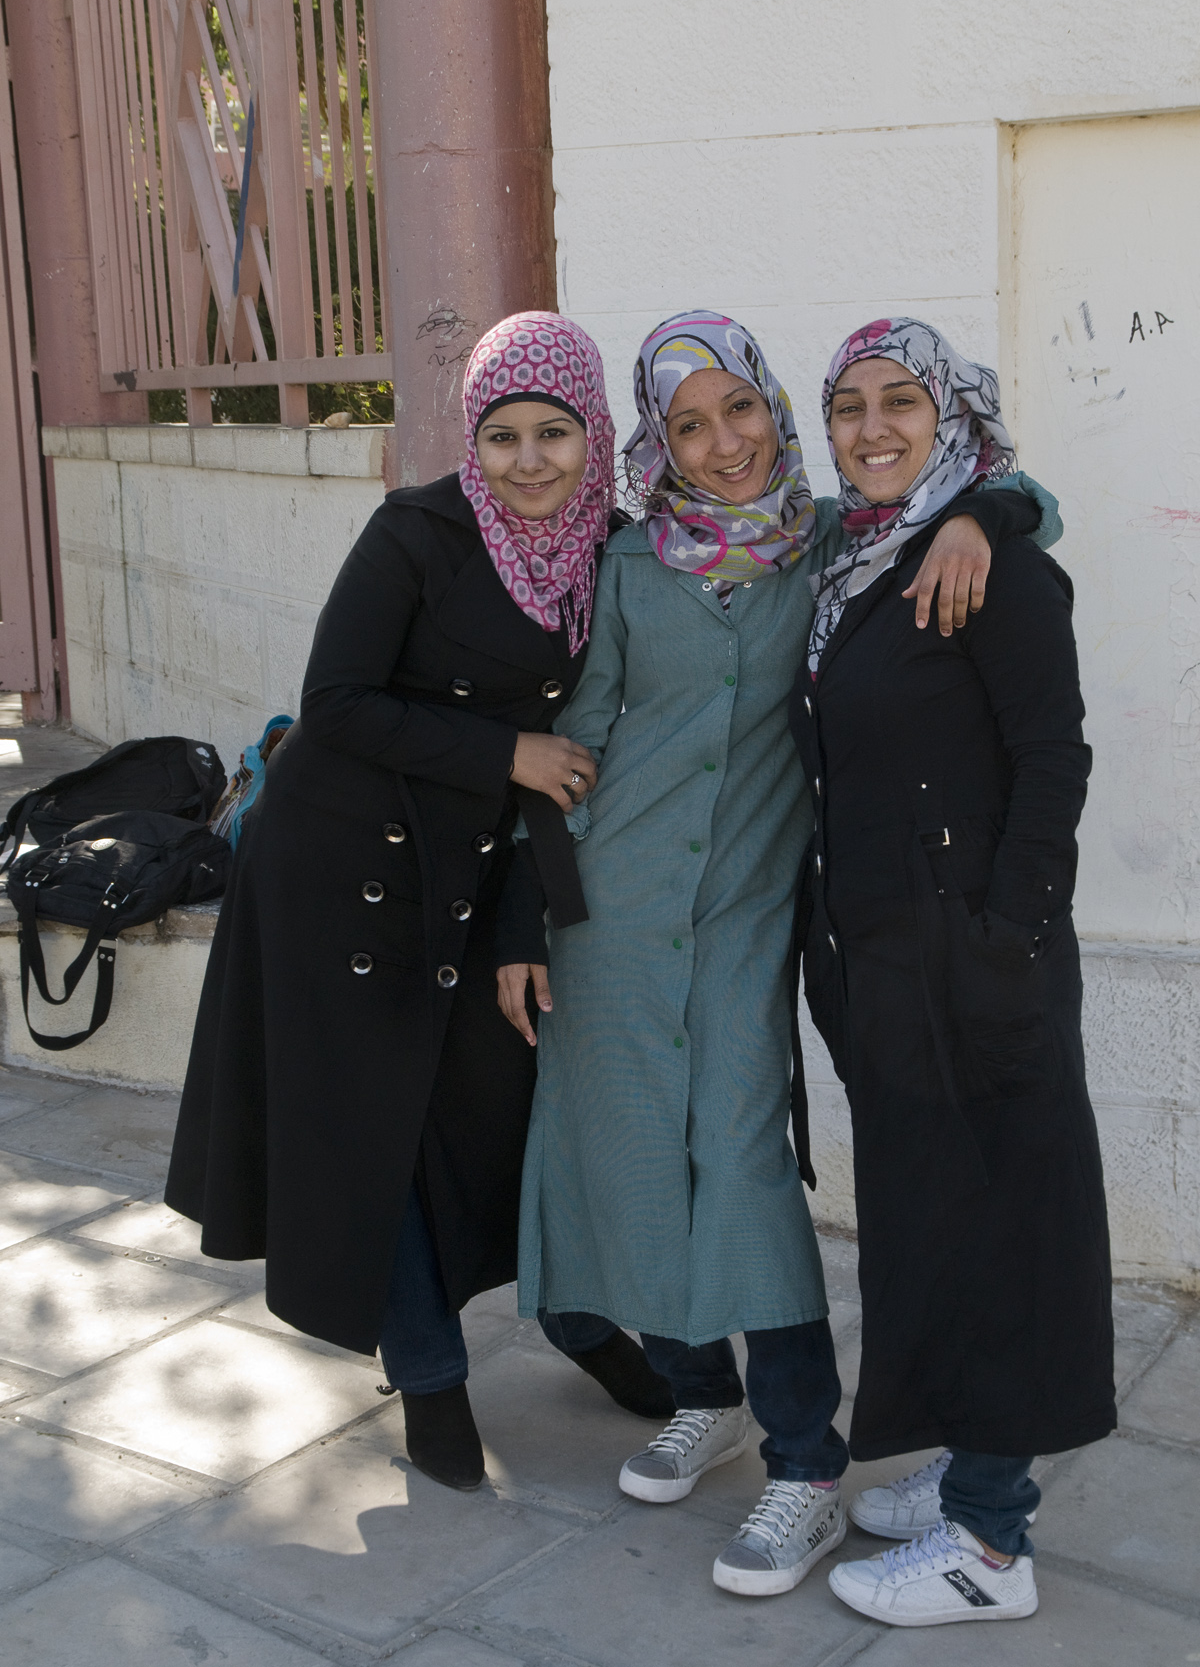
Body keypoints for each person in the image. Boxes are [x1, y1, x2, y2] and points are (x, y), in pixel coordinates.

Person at [501, 311, 1053, 1595]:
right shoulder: (628, 560)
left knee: (742, 1161)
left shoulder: (840, 539)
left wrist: (988, 516)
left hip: (751, 911)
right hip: (614, 911)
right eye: (689, 424)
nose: (723, 443)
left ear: (774, 408)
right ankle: (705, 1393)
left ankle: (805, 1463)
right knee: (631, 1152)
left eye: (739, 409)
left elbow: (1014, 490)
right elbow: (574, 745)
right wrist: (528, 915)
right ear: (661, 440)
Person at [164, 312, 675, 1496]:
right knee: (374, 1117)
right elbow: (335, 701)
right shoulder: (416, 532)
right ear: (471, 438)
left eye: (554, 432)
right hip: (338, 862)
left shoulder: (615, 548)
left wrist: (990, 511)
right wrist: (505, 751)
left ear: (596, 434)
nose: (529, 461)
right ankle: (431, 1370)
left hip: (481, 863)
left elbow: (587, 739)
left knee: (512, 1101)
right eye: (502, 435)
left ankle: (576, 1314)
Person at [789, 317, 1115, 1627]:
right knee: (933, 1220)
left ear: (952, 415)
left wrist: (1008, 938)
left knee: (1001, 1225)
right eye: (849, 406)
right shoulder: (857, 555)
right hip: (888, 961)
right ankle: (975, 1456)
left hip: (975, 958)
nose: (872, 428)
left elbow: (1054, 757)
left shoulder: (997, 566)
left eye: (901, 402)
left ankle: (989, 1542)